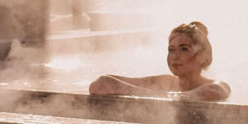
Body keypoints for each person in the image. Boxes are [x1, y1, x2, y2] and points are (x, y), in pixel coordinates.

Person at [88, 21, 231, 102]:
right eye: (171, 50)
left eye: (184, 49)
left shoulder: (217, 86)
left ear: (202, 56)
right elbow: (99, 85)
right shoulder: (167, 82)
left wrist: (139, 94)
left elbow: (203, 95)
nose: (175, 56)